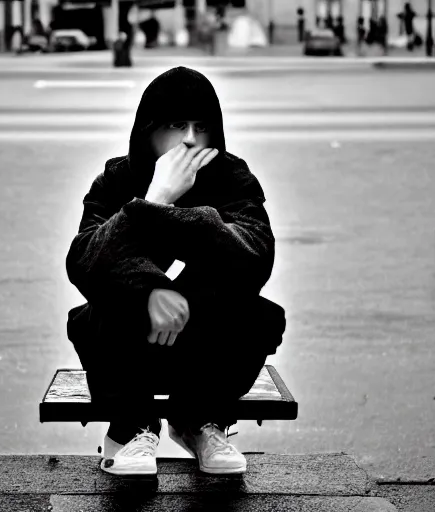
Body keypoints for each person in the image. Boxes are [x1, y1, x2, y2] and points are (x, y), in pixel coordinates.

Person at [66, 67, 286, 477]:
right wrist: (155, 200)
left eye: (201, 127)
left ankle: (200, 421)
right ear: (148, 129)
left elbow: (255, 259)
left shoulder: (231, 177)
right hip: (129, 349)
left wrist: (176, 221)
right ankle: (130, 429)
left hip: (205, 349)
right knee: (96, 312)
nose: (189, 138)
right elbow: (84, 263)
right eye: (175, 124)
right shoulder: (118, 178)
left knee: (260, 315)